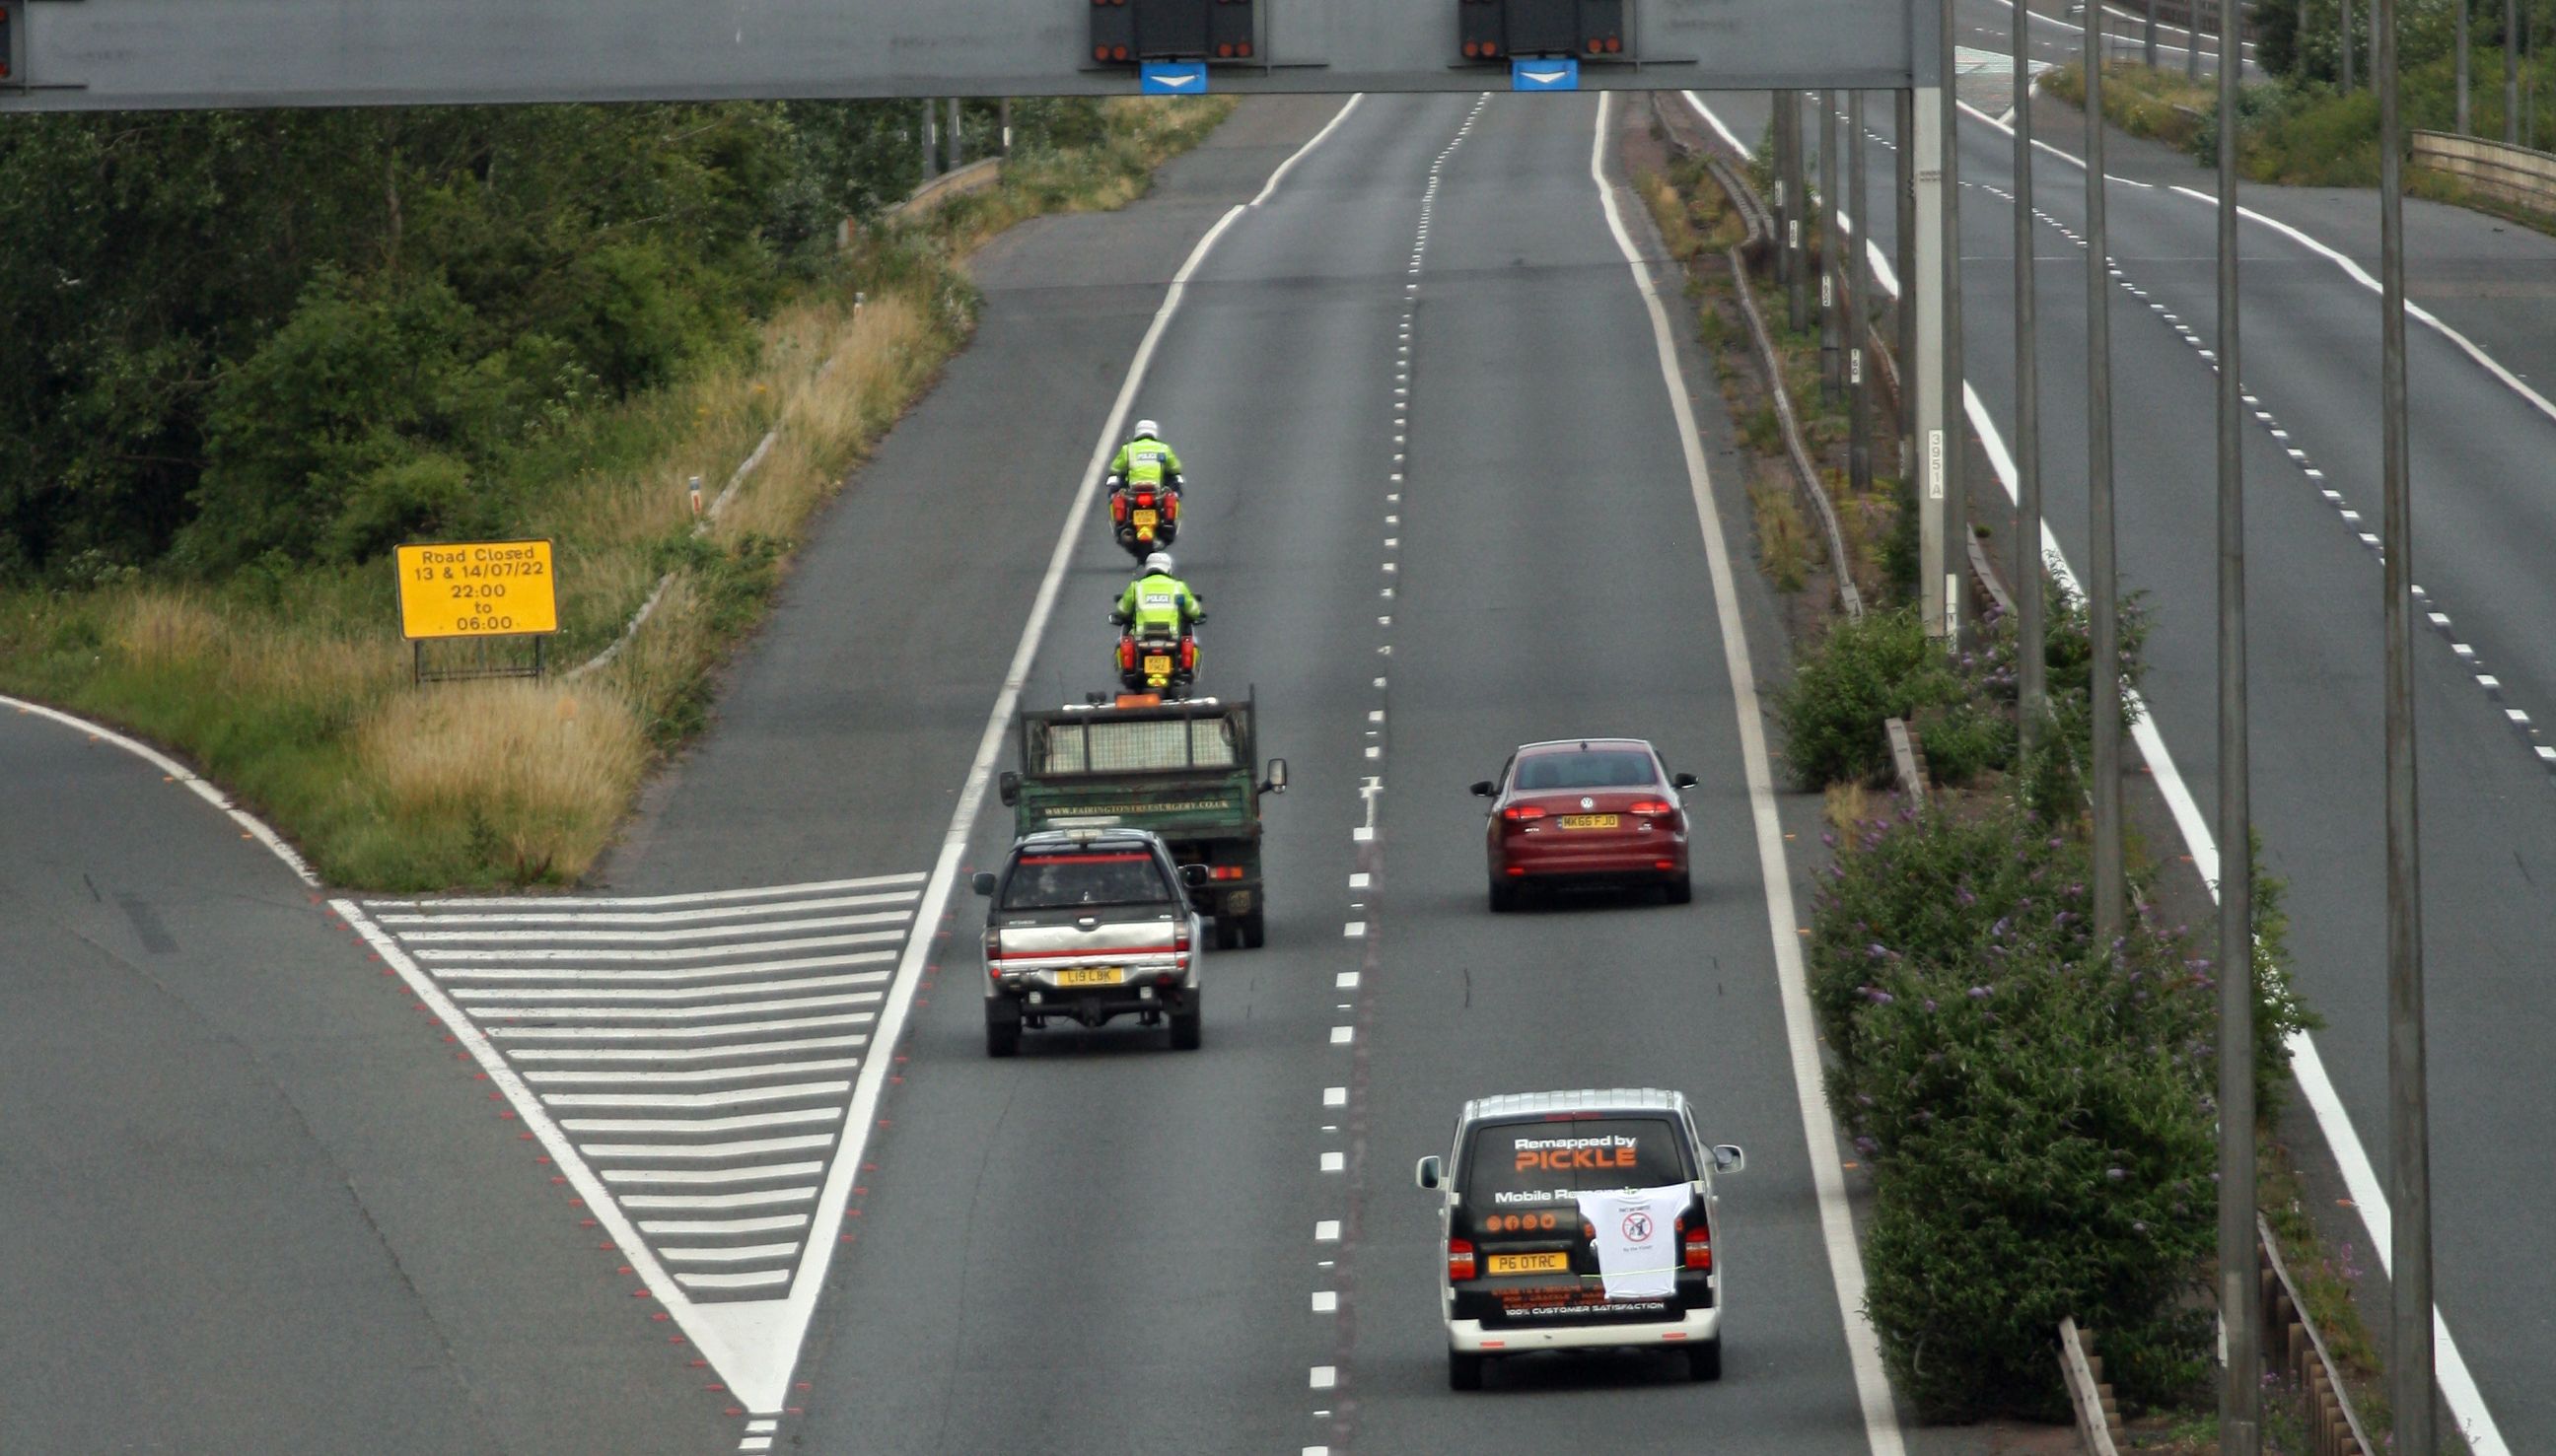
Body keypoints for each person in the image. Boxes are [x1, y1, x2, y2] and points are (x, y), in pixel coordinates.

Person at [1112, 552, 1206, 641]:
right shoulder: (1178, 586)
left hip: (1141, 636)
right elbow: (1192, 610)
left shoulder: (1137, 586)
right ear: (1168, 567)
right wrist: (1197, 614)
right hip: (1173, 635)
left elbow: (1123, 610)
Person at [1107, 419, 1185, 495]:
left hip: (1133, 491)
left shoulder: (1128, 448)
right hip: (1157, 492)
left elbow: (1115, 469)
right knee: (1175, 491)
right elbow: (1175, 468)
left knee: (1114, 494)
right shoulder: (1163, 448)